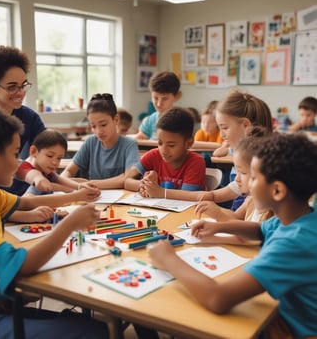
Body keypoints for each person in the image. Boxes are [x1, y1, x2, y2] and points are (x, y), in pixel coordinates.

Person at [0, 107, 109, 339]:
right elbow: (22, 265)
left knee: (91, 325)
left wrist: (75, 197)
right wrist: (70, 223)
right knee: (90, 332)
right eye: (14, 154)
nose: (20, 163)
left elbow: (26, 204)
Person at [148, 132, 317, 339]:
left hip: (294, 331)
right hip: (287, 316)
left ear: (277, 191)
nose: (245, 184)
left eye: (253, 178)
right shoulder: (300, 218)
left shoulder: (292, 244)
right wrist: (218, 228)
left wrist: (168, 258)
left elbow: (219, 298)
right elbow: (259, 230)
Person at [0, 45, 46, 196]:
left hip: (25, 191)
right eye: (12, 87)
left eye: (23, 85)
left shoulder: (30, 118)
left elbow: (47, 151)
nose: (20, 93)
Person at [194, 127, 274, 246]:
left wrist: (218, 215)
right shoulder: (251, 200)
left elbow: (255, 240)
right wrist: (215, 214)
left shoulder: (273, 211)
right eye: (236, 172)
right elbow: (237, 220)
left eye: (243, 173)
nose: (236, 179)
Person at [60, 93, 140, 189]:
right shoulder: (90, 143)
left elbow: (128, 178)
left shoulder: (129, 144)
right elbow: (68, 172)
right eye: (93, 126)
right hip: (93, 197)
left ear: (116, 120)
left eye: (103, 125)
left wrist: (89, 184)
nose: (98, 131)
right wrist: (67, 180)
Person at [125, 107, 206, 199]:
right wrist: (145, 184)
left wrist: (160, 192)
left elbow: (189, 196)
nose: (164, 150)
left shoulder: (196, 162)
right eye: (160, 143)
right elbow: (127, 180)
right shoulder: (153, 155)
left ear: (188, 143)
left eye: (171, 145)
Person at [16, 129, 100, 196]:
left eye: (59, 158)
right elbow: (38, 179)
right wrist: (73, 191)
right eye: (49, 156)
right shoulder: (25, 168)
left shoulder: (45, 169)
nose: (54, 162)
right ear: (34, 151)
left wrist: (80, 186)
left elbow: (59, 179)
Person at [135, 71, 181, 140]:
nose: (159, 104)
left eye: (164, 99)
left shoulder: (182, 121)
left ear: (176, 97)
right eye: (155, 98)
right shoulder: (149, 120)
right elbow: (139, 140)